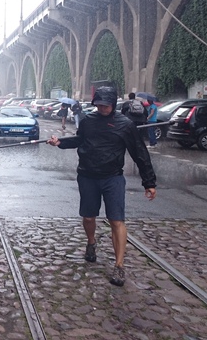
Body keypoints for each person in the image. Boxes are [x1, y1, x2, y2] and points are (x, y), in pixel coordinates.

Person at [46, 86, 157, 287]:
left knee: (116, 220)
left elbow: (140, 153)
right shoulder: (88, 121)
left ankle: (119, 265)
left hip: (113, 178)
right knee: (89, 217)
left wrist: (149, 182)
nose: (102, 108)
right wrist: (59, 142)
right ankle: (91, 242)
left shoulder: (125, 125)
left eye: (105, 105)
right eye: (98, 105)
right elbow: (79, 140)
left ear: (113, 104)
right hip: (87, 176)